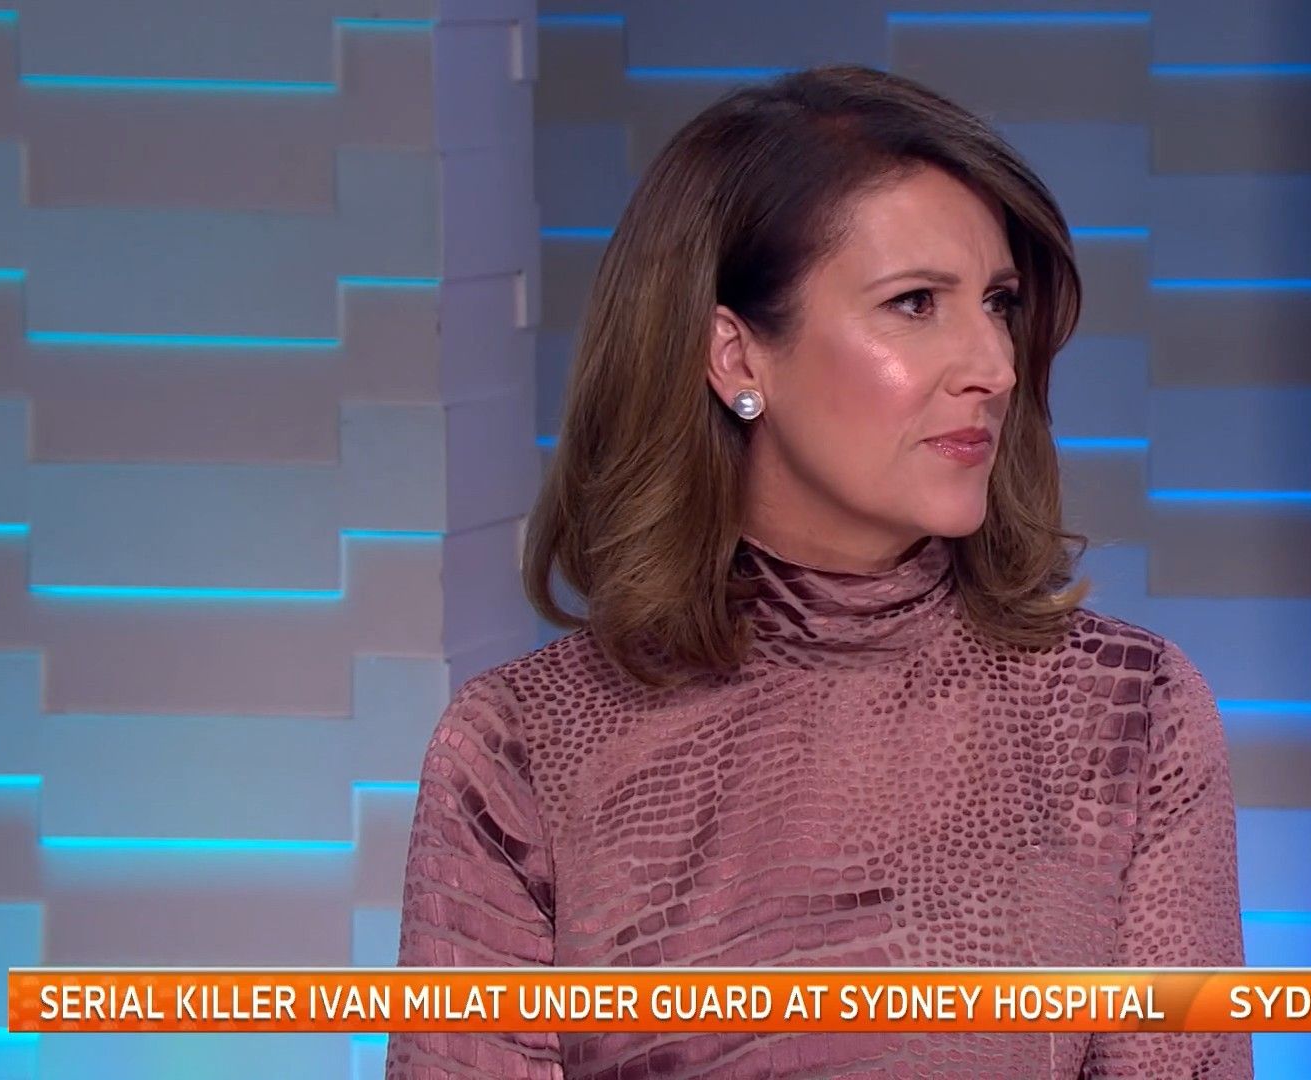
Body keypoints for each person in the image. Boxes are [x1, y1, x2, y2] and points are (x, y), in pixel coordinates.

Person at [386, 63, 1251, 1079]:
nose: (994, 366)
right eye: (916, 303)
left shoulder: (1129, 714)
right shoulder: (519, 750)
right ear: (736, 358)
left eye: (998, 303)